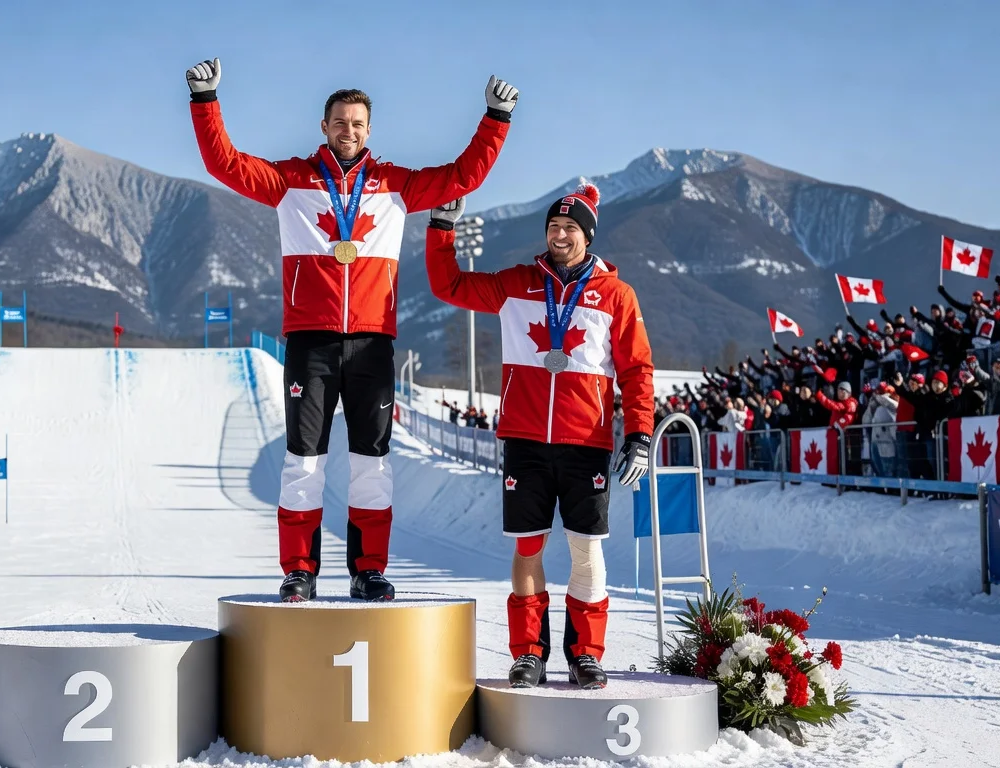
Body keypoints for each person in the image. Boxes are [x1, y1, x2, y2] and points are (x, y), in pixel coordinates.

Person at [187, 57, 519, 602]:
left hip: (372, 344)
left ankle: (369, 570)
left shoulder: (396, 186)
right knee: (303, 462)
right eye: (340, 121)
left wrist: (496, 117)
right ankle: (299, 570)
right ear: (324, 126)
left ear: (370, 129)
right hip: (310, 342)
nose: (349, 131)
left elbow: (464, 176)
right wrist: (206, 101)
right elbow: (224, 163)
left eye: (358, 123)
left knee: (372, 465)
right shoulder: (291, 181)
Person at [425, 187, 654, 690]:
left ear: (587, 236)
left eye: (571, 227)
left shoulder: (617, 295)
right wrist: (441, 229)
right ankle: (528, 653)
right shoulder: (515, 285)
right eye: (554, 226)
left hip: (585, 441)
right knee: (528, 548)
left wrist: (638, 432)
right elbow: (450, 286)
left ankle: (585, 655)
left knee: (585, 549)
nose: (560, 234)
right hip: (526, 441)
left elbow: (637, 370)